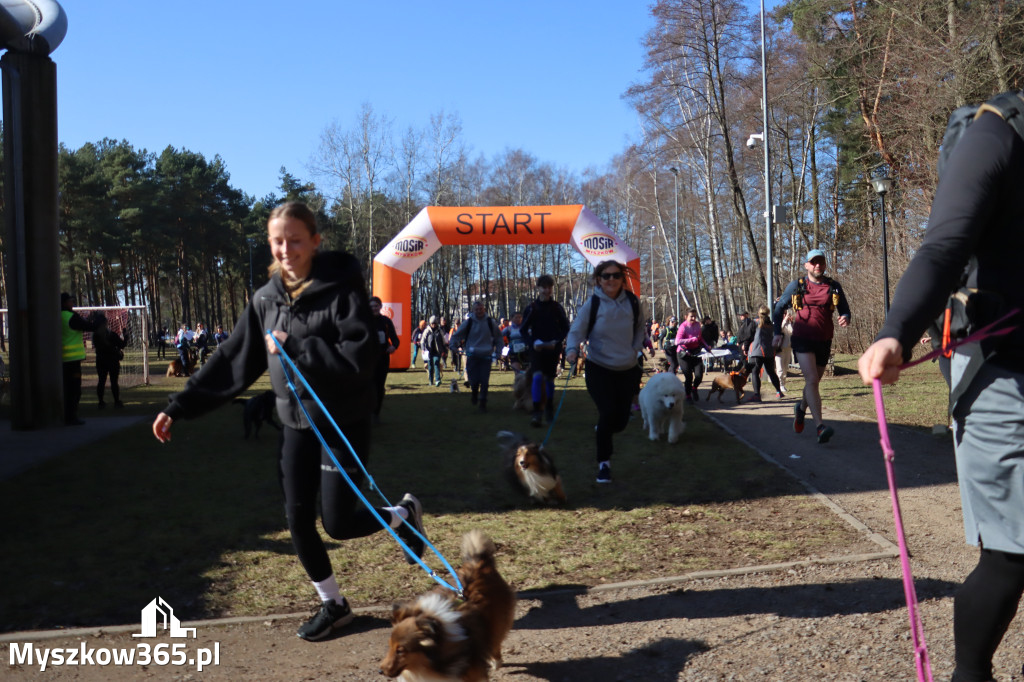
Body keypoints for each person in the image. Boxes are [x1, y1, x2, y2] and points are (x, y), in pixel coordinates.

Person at [150, 201, 427, 642]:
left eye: (296, 240)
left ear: (315, 242)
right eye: (278, 241)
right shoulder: (265, 300)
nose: (286, 249)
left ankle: (403, 515)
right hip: (294, 424)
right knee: (297, 517)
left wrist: (297, 345)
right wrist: (178, 406)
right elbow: (232, 359)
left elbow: (360, 357)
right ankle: (333, 605)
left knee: (338, 523)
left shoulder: (342, 289)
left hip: (340, 423)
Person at [858, 102, 1024, 682]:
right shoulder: (998, 133)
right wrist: (894, 334)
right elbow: (943, 246)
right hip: (1002, 372)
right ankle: (970, 672)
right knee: (1013, 552)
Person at [564, 260, 644, 484]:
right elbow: (576, 331)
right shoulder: (593, 304)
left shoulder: (633, 302)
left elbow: (640, 328)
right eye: (606, 276)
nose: (611, 280)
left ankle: (604, 428)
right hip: (599, 368)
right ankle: (604, 465)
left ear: (622, 278)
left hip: (627, 369)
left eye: (616, 275)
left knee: (620, 422)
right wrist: (572, 351)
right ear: (598, 279)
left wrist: (635, 349)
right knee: (608, 413)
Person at [773, 249, 851, 444]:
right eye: (814, 262)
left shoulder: (833, 286)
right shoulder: (798, 285)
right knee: (812, 380)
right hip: (802, 337)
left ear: (824, 264)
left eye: (821, 262)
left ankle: (800, 409)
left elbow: (845, 309)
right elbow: (778, 308)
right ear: (806, 265)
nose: (818, 265)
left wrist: (845, 317)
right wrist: (776, 333)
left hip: (824, 339)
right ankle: (819, 427)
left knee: (812, 383)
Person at [521, 274, 570, 427]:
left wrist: (557, 341)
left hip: (552, 349)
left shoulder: (556, 307)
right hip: (536, 349)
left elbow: (566, 327)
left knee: (549, 380)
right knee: (536, 378)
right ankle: (537, 413)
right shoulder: (531, 308)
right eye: (544, 287)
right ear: (538, 288)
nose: (546, 290)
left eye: (549, 287)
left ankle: (549, 408)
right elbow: (523, 330)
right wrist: (532, 343)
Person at [448, 300, 502, 412]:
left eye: (481, 309)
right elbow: (456, 336)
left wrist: (498, 352)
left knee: (484, 380)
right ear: (473, 310)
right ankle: (474, 392)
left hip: (486, 356)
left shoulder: (490, 322)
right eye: (476, 309)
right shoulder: (469, 323)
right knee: (474, 380)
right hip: (472, 356)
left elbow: (498, 338)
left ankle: (483, 402)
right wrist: (453, 346)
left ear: (484, 309)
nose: (479, 311)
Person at [60, 292, 99, 425]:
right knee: (74, 390)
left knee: (65, 389)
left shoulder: (57, 316)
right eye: (71, 300)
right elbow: (89, 327)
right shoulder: (71, 317)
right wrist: (98, 321)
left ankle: (64, 415)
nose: (72, 303)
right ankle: (71, 417)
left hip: (60, 360)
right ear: (65, 303)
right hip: (72, 360)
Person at [369, 296, 400, 423]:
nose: (374, 308)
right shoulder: (364, 321)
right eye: (371, 306)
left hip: (382, 359)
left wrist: (393, 347)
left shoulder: (386, 321)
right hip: (368, 360)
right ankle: (367, 412)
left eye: (376, 306)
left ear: (380, 307)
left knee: (379, 386)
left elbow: (395, 339)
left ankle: (376, 413)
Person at [746, 305, 783, 402]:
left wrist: (745, 348)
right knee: (771, 372)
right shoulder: (771, 324)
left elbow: (748, 336)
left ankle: (757, 395)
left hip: (757, 351)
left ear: (759, 312)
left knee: (755, 372)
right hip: (769, 351)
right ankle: (779, 391)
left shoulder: (755, 322)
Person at [675, 309, 710, 402]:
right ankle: (688, 395)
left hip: (695, 353)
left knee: (699, 375)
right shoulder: (683, 327)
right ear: (686, 317)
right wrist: (691, 340)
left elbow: (700, 338)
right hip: (684, 354)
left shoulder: (698, 325)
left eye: (695, 316)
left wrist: (707, 347)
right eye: (691, 316)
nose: (694, 318)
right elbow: (677, 341)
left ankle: (694, 388)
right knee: (689, 376)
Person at [92, 312, 127, 409]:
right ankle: (116, 401)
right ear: (106, 323)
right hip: (113, 361)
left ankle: (101, 402)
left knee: (101, 381)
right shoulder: (112, 335)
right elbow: (122, 345)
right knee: (114, 382)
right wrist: (125, 335)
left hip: (101, 361)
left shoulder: (95, 336)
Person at [421, 315, 448, 386]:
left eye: (434, 323)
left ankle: (437, 380)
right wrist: (423, 348)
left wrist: (445, 350)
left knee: (436, 364)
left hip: (437, 351)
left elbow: (443, 340)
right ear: (430, 323)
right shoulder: (427, 330)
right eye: (432, 323)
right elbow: (423, 340)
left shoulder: (439, 331)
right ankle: (430, 381)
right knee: (430, 366)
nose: (433, 325)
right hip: (429, 351)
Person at [774, 310, 794, 395]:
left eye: (786, 314)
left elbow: (792, 332)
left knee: (785, 368)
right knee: (780, 369)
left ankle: (783, 384)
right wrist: (785, 320)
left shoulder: (788, 323)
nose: (786, 315)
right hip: (779, 348)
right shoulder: (778, 322)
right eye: (784, 314)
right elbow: (779, 329)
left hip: (788, 348)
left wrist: (791, 322)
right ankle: (779, 385)